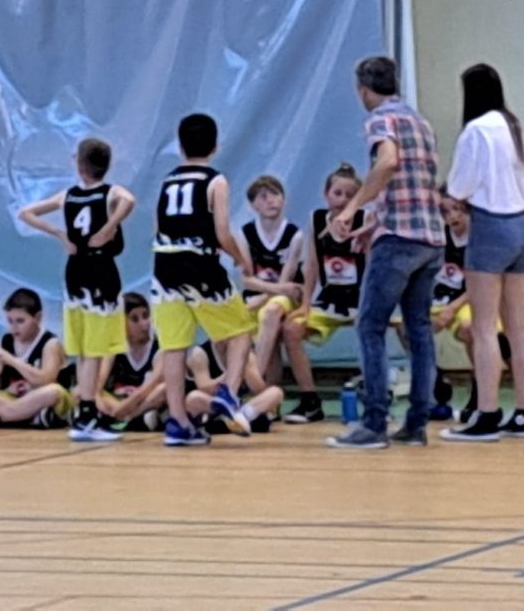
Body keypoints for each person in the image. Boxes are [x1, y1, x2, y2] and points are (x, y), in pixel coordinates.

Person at [326, 56, 444, 450]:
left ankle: (374, 423)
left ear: (363, 89)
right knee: (419, 329)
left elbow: (389, 163)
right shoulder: (421, 123)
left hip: (398, 241)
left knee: (370, 326)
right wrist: (372, 223)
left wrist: (351, 208)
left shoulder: (380, 120)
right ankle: (417, 423)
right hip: (430, 238)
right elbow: (413, 185)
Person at [441, 63, 524, 442]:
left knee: (483, 328)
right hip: (522, 227)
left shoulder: (476, 130)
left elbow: (459, 185)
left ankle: (487, 414)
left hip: (490, 226)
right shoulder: (516, 126)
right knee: (518, 327)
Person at [151, 113, 258, 446]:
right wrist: (240, 258)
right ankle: (228, 392)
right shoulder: (215, 181)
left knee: (173, 347)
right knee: (241, 329)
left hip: (164, 266)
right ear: (215, 146)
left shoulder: (168, 181)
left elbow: (158, 227)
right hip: (198, 263)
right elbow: (222, 232)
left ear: (180, 146)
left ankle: (179, 423)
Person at [18, 137, 136, 442]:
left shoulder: (68, 195)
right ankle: (88, 413)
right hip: (100, 271)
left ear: (80, 164)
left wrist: (59, 233)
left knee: (84, 349)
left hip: (75, 273)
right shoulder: (109, 193)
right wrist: (108, 227)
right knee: (94, 349)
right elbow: (129, 200)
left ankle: (85, 412)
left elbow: (26, 212)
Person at [281, 164, 368, 423]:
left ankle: (376, 397)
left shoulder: (365, 221)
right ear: (326, 194)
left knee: (378, 331)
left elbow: (374, 267)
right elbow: (312, 265)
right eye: (337, 193)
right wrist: (305, 304)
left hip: (361, 300)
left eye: (350, 195)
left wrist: (371, 305)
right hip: (330, 300)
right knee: (291, 329)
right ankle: (310, 401)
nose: (342, 200)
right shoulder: (317, 220)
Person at [0, 288, 73, 429]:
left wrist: (11, 360)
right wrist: (1, 382)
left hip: (46, 400)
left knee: (53, 391)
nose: (14, 327)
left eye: (20, 321)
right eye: (10, 321)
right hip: (19, 401)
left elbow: (46, 380)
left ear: (38, 318)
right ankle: (30, 418)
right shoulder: (5, 341)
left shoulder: (51, 343)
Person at [236, 175, 305, 387]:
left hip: (284, 299)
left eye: (275, 195)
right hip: (258, 294)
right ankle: (264, 391)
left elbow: (285, 286)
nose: (271, 201)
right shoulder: (244, 234)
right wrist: (262, 295)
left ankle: (253, 380)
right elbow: (246, 280)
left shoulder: (294, 235)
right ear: (253, 204)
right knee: (229, 319)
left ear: (283, 199)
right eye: (263, 197)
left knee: (271, 311)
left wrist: (263, 298)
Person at [183, 338, 285, 441]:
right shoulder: (199, 353)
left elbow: (260, 391)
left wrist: (247, 370)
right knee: (193, 397)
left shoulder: (247, 356)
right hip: (213, 404)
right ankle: (236, 418)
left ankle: (241, 418)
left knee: (276, 393)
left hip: (238, 406)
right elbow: (204, 387)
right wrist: (233, 373)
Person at [96, 292, 166, 431]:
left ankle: (129, 419)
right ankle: (136, 419)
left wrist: (125, 409)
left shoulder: (160, 346)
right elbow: (97, 385)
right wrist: (99, 403)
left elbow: (152, 384)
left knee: (164, 389)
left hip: (142, 401)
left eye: (146, 316)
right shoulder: (114, 347)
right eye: (135, 319)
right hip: (117, 401)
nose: (144, 324)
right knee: (83, 391)